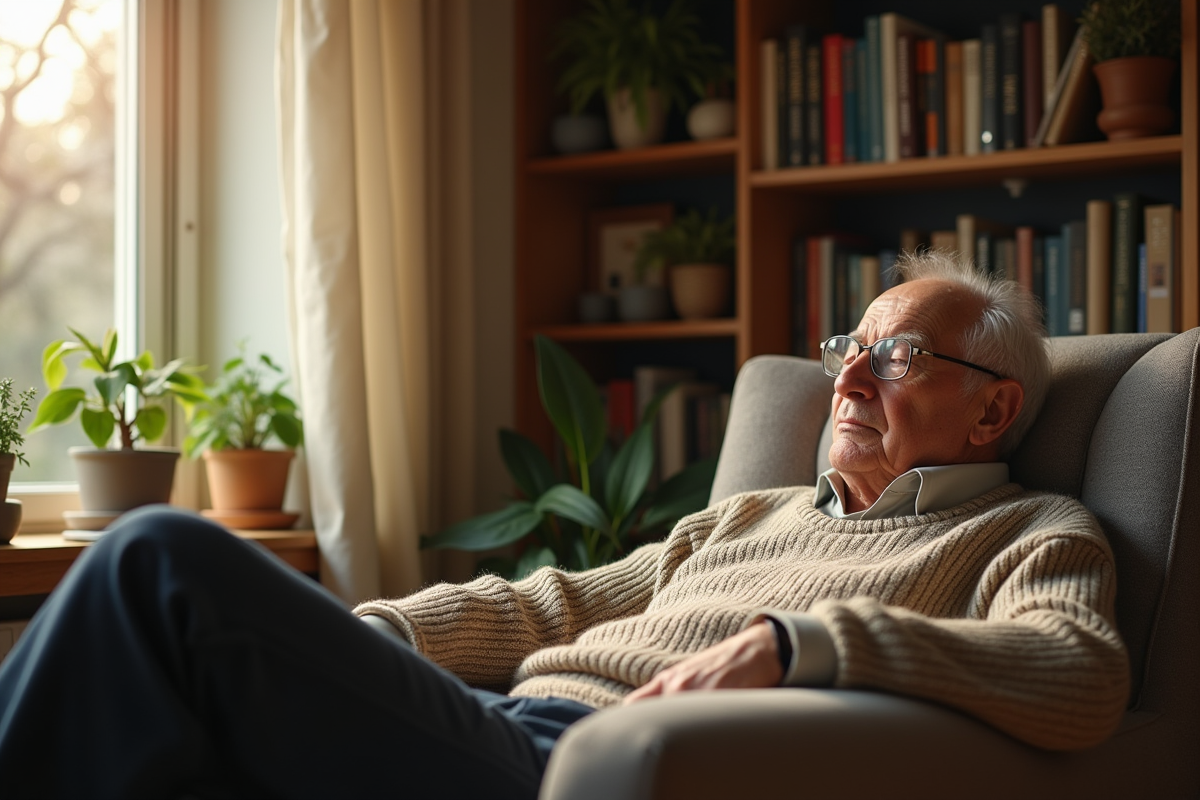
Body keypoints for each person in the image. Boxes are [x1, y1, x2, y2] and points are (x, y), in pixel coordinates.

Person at [0, 253, 1128, 799]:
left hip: (565, 762)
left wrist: (804, 643)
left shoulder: (1033, 529)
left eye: (897, 356)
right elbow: (560, 601)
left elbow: (1077, 672)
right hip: (493, 713)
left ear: (994, 407)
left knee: (156, 557)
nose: (849, 380)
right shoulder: (748, 514)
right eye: (848, 352)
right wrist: (363, 634)